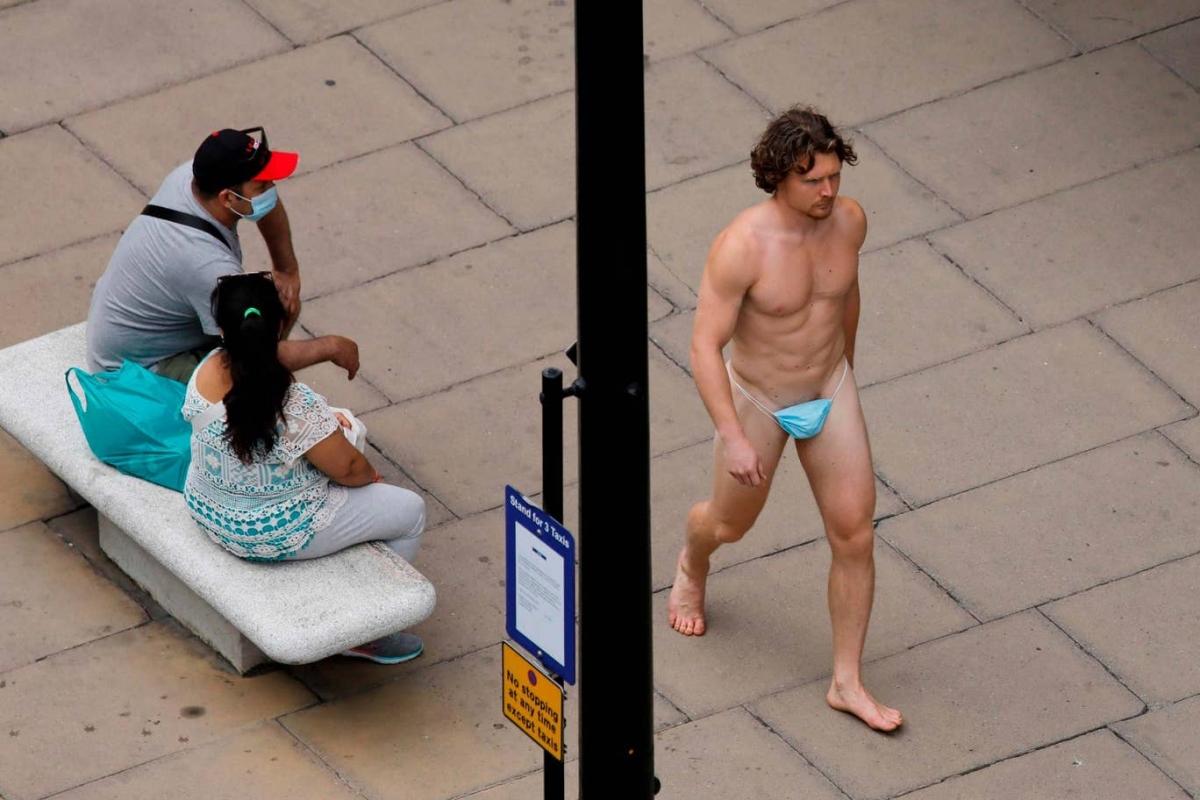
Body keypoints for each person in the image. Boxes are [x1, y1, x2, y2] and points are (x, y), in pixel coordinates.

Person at [667, 107, 903, 732]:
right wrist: (734, 436)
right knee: (727, 523)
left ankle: (846, 682)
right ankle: (693, 563)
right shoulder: (741, 246)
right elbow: (702, 347)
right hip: (760, 400)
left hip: (829, 387)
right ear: (778, 177)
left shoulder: (849, 222)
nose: (829, 192)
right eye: (814, 181)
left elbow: (846, 296)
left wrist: (847, 371)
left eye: (834, 177)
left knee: (855, 534)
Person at [183, 272, 427, 664]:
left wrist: (328, 348)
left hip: (210, 513)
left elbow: (261, 359)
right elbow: (349, 469)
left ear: (223, 334)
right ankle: (363, 630)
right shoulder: (294, 405)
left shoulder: (206, 372)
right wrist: (369, 478)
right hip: (276, 532)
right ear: (279, 327)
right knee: (409, 511)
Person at [86, 126, 358, 383]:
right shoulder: (208, 266)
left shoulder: (195, 178)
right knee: (255, 365)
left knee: (269, 307)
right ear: (227, 198)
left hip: (129, 331)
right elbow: (254, 358)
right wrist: (330, 347)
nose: (271, 189)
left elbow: (265, 204)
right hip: (137, 373)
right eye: (262, 186)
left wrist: (286, 268)